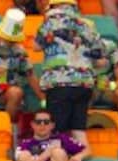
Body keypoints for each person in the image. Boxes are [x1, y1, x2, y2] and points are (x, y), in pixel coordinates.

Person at [35, 0, 104, 144]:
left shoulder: (50, 23)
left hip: (59, 83)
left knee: (56, 133)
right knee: (78, 130)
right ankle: (82, 155)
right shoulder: (87, 24)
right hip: (83, 84)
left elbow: (36, 46)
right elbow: (99, 56)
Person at [92, 36, 118, 121]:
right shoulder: (75, 48)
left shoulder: (110, 46)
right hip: (88, 89)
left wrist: (110, 85)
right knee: (79, 94)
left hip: (109, 89)